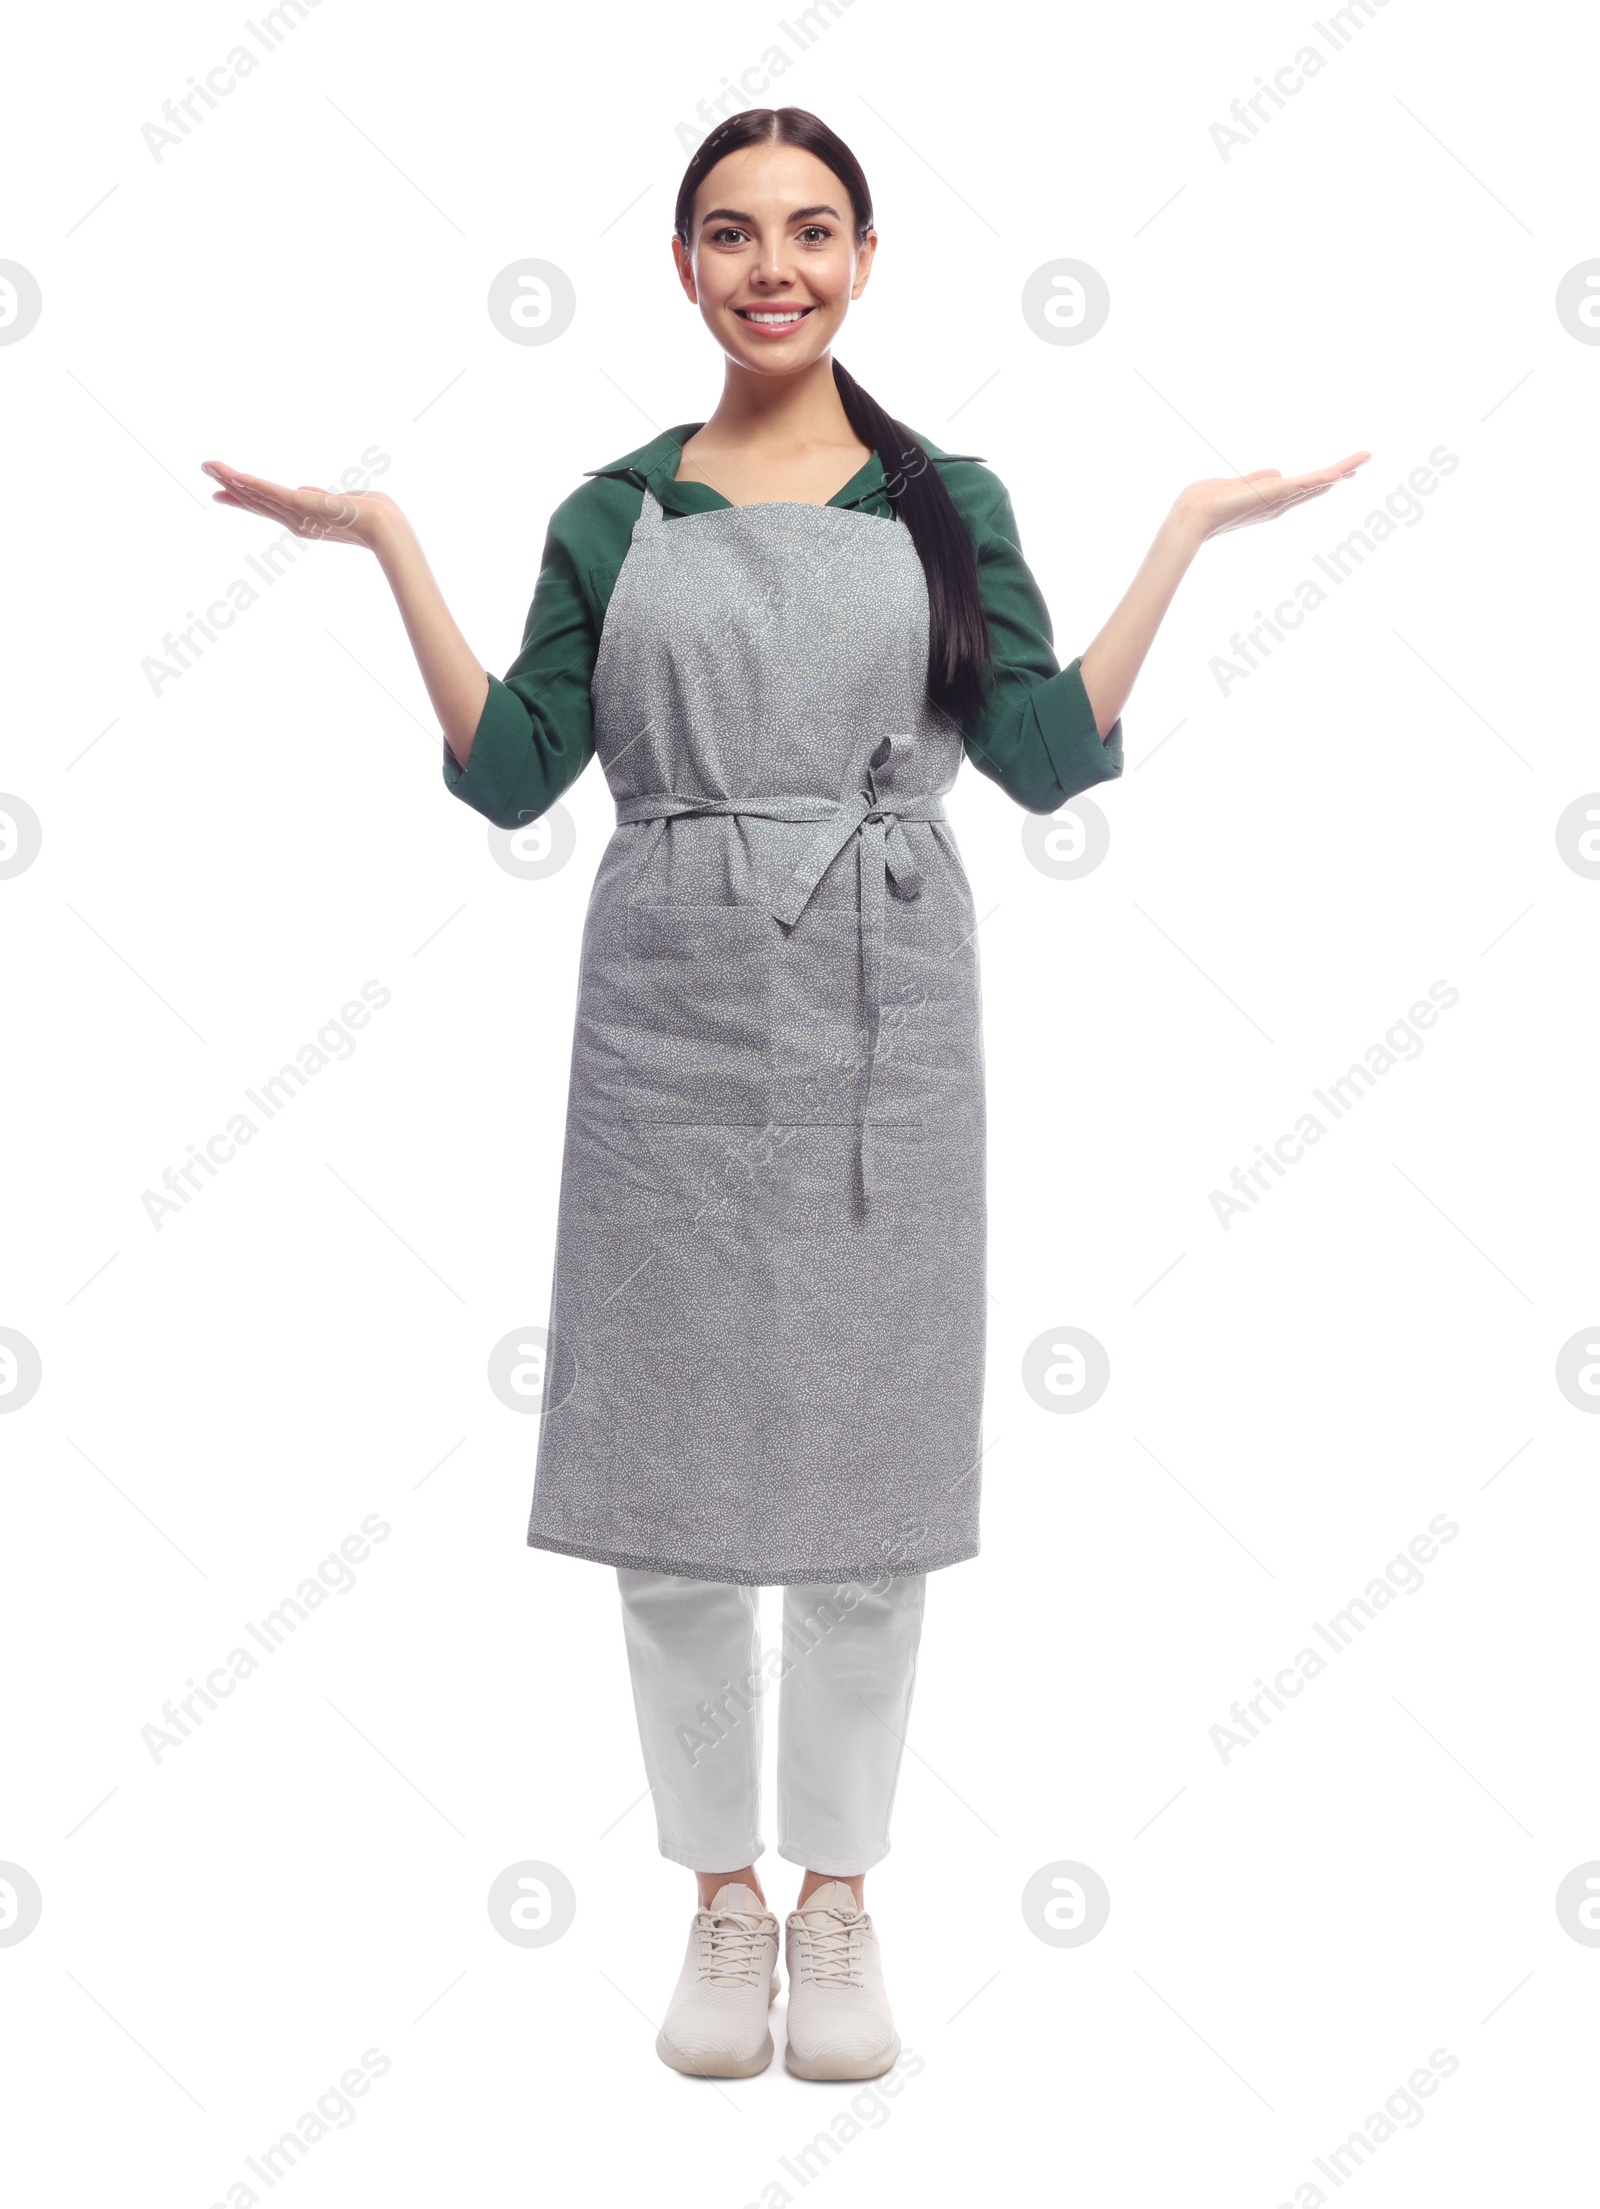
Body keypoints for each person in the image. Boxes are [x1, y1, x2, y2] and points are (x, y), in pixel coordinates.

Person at [201, 106, 1368, 2084]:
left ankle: (836, 1901)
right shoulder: (608, 510)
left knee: (856, 1493)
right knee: (666, 1491)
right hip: (661, 992)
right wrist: (386, 544)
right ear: (680, 268)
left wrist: (1177, 532)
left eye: (810, 231)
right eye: (732, 234)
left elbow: (1047, 760)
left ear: (865, 255)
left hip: (875, 994)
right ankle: (714, 1901)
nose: (774, 267)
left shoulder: (940, 501)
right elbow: (510, 779)